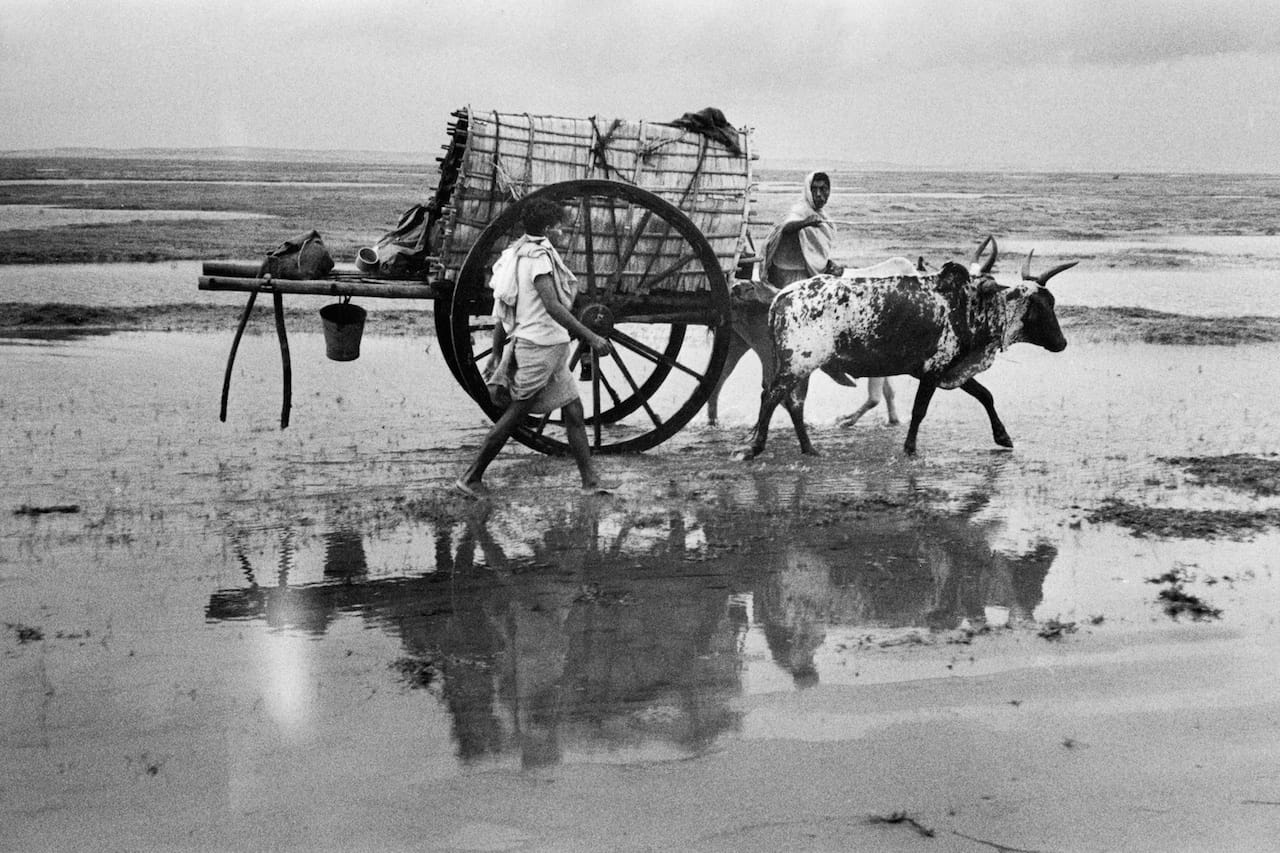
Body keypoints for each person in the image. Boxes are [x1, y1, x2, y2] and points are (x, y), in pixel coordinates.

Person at [455, 198, 614, 498]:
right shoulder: (538, 259)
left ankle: (590, 482)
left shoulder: (515, 254)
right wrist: (591, 337)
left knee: (574, 410)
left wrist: (497, 351)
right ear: (549, 229)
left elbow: (505, 306)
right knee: (515, 416)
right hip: (538, 348)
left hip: (550, 348)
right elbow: (553, 306)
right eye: (561, 228)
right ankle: (471, 476)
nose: (564, 234)